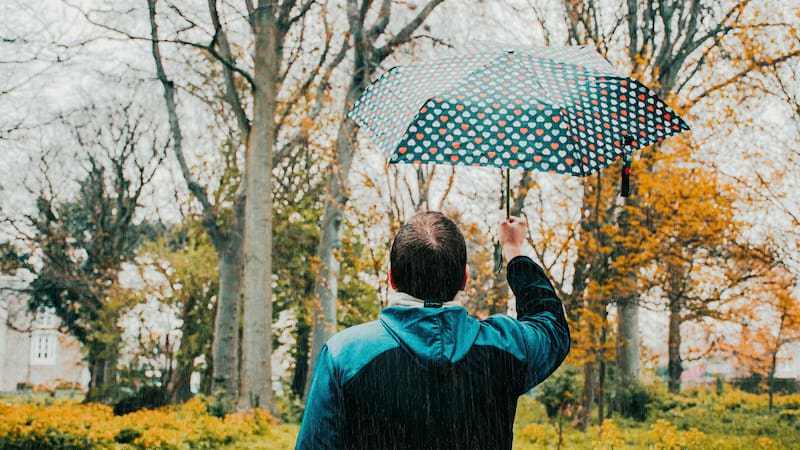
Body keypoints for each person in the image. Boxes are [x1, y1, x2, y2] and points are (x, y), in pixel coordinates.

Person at [295, 211, 570, 450]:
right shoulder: (507, 348)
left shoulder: (345, 356)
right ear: (465, 279)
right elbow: (551, 326)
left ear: (391, 277)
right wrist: (514, 251)